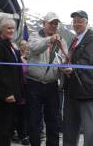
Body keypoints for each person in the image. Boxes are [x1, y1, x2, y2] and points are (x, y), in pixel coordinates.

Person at [26, 12, 68, 146]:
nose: (54, 26)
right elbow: (34, 48)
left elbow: (63, 59)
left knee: (53, 120)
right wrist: (49, 40)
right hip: (34, 83)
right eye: (51, 23)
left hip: (51, 84)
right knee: (34, 119)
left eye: (56, 23)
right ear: (44, 23)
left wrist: (64, 67)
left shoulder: (62, 41)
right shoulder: (34, 36)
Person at [63, 10, 93, 146]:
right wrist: (64, 65)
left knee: (89, 127)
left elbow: (87, 60)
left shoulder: (92, 38)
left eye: (80, 21)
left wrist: (72, 67)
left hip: (87, 89)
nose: (76, 24)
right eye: (74, 21)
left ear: (86, 22)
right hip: (72, 88)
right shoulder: (75, 40)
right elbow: (72, 59)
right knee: (69, 125)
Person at [0, 15, 23, 146]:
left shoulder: (11, 46)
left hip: (11, 96)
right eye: (8, 28)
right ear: (0, 29)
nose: (12, 31)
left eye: (13, 28)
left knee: (6, 130)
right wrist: (6, 93)